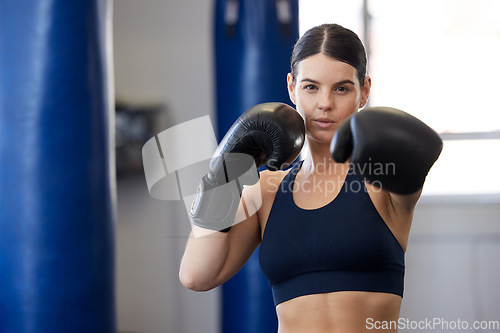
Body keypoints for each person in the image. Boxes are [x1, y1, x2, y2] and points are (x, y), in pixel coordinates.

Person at [179, 23, 442, 333]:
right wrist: (221, 173)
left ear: (364, 91)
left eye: (341, 88)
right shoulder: (265, 190)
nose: (325, 103)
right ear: (291, 87)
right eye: (311, 87)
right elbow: (196, 275)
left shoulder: (381, 181)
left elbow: (424, 148)